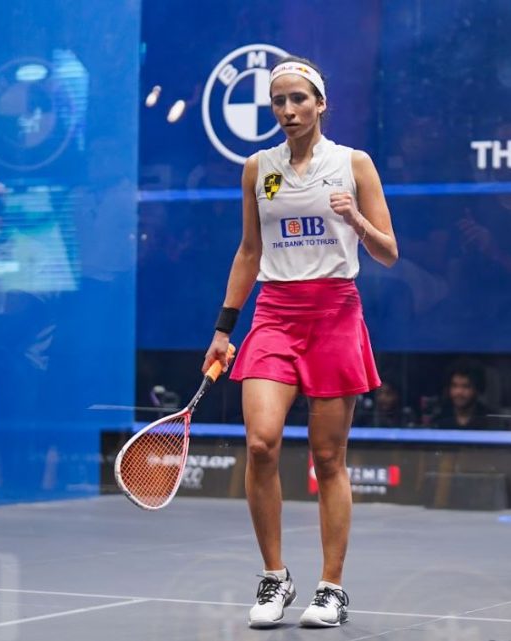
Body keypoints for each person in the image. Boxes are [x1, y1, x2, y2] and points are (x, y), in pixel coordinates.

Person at [201, 55, 398, 629]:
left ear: (320, 104)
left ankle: (331, 588)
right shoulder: (257, 168)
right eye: (279, 102)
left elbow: (388, 251)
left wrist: (356, 220)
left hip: (335, 314)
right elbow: (249, 252)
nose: (288, 110)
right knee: (261, 444)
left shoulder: (354, 164)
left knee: (328, 457)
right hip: (274, 314)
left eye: (298, 100)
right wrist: (223, 329)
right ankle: (275, 576)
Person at [431, 359, 499, 430]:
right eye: (454, 386)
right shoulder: (440, 419)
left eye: (466, 386)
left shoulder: (491, 420)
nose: (459, 392)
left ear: (477, 389)